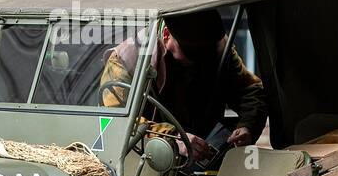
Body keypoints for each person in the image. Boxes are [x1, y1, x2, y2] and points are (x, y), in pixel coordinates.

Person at [100, 9, 267, 162]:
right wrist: (172, 139)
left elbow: (251, 90)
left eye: (205, 54)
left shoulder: (219, 50)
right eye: (191, 54)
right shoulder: (127, 60)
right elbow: (115, 120)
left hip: (205, 155)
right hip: (144, 160)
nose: (198, 61)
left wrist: (247, 126)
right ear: (166, 35)